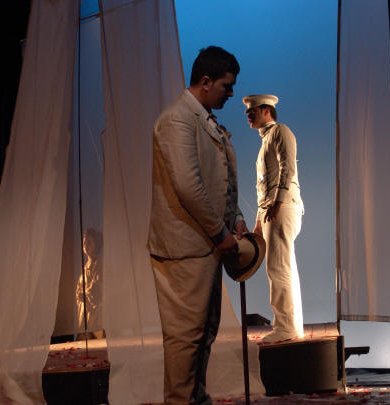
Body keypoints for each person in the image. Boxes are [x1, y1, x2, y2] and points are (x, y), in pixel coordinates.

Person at [148, 46, 248, 405]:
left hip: (204, 245)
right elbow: (188, 186)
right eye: (226, 85)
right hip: (186, 247)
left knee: (203, 333)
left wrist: (235, 218)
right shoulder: (177, 118)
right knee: (185, 337)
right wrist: (220, 232)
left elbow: (217, 178)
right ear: (205, 82)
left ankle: (195, 399)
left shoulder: (202, 119)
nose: (231, 93)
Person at [243, 94, 305, 343]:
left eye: (253, 110)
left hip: (282, 207)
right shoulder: (267, 139)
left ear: (266, 110)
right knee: (283, 267)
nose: (248, 114)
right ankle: (292, 327)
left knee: (278, 268)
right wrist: (259, 220)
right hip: (273, 209)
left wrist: (277, 203)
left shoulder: (281, 132)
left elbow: (287, 168)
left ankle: (285, 328)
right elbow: (264, 187)